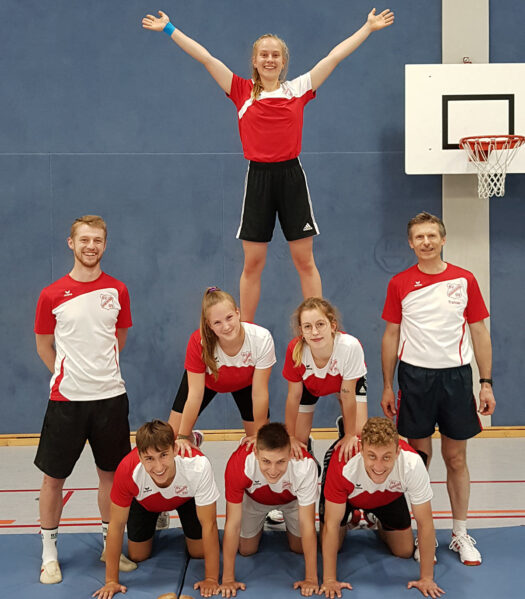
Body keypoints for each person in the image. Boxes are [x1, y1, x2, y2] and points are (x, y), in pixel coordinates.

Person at [142, 7, 395, 321]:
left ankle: (316, 322)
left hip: (291, 177)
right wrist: (169, 29)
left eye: (276, 54)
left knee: (305, 261)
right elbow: (206, 58)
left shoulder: (299, 88)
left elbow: (333, 57)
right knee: (253, 263)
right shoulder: (240, 91)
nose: (270, 59)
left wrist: (367, 28)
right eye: (264, 54)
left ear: (283, 61)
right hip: (259, 178)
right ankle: (246, 330)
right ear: (255, 60)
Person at [381, 211, 496, 566]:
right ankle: (423, 534)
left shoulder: (465, 280)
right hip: (415, 379)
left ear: (443, 239)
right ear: (411, 243)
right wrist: (387, 384)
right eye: (419, 237)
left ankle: (460, 533)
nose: (426, 242)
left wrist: (486, 382)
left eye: (432, 236)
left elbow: (479, 332)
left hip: (456, 378)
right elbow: (390, 335)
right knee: (419, 461)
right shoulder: (399, 283)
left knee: (455, 458)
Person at [34, 215, 135, 584]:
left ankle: (111, 549)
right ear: (71, 243)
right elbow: (44, 345)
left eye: (98, 241)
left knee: (110, 476)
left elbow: (119, 338)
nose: (91, 246)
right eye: (84, 240)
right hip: (66, 400)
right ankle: (49, 554)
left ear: (104, 246)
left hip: (110, 398)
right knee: (53, 479)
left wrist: (98, 371)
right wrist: (68, 372)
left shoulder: (118, 291)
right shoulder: (51, 294)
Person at [93, 420, 221, 599]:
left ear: (175, 449)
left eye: (163, 455)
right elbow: (116, 524)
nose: (159, 467)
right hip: (146, 501)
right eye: (149, 458)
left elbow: (209, 524)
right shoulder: (128, 470)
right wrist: (111, 581)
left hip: (186, 497)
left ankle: (193, 439)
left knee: (199, 552)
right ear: (139, 456)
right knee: (137, 556)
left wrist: (211, 578)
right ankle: (160, 514)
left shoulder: (197, 465)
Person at [320, 418, 444, 599]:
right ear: (361, 450)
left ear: (398, 452)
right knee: (332, 545)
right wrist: (329, 579)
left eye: (386, 457)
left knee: (404, 551)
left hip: (388, 495)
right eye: (372, 456)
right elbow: (331, 525)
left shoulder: (412, 464)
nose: (378, 466)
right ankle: (350, 518)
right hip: (349, 497)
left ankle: (375, 518)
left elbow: (425, 523)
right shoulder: (343, 463)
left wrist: (427, 578)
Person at [169, 287, 275, 454]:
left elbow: (260, 392)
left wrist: (258, 435)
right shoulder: (199, 342)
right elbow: (195, 394)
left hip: (245, 383)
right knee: (173, 439)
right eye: (217, 322)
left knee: (260, 444)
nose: (226, 326)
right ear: (209, 325)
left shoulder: (261, 338)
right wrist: (182, 436)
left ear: (238, 313)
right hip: (207, 383)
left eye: (229, 317)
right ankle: (192, 438)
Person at [221, 422, 319, 598]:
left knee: (299, 547)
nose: (273, 470)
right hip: (254, 500)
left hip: (292, 500)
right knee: (246, 550)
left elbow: (308, 524)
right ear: (256, 453)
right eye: (266, 461)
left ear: (289, 454)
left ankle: (308, 443)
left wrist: (311, 578)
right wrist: (228, 578)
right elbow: (232, 523)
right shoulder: (239, 462)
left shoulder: (305, 465)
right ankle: (265, 518)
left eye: (281, 461)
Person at [283, 297, 367, 462]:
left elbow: (347, 393)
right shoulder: (295, 351)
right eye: (308, 327)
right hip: (311, 384)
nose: (314, 332)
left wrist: (349, 435)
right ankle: (309, 446)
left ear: (332, 326)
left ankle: (345, 427)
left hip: (344, 382)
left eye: (320, 324)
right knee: (298, 443)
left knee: (358, 435)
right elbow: (293, 396)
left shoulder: (350, 347)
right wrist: (290, 436)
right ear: (301, 330)